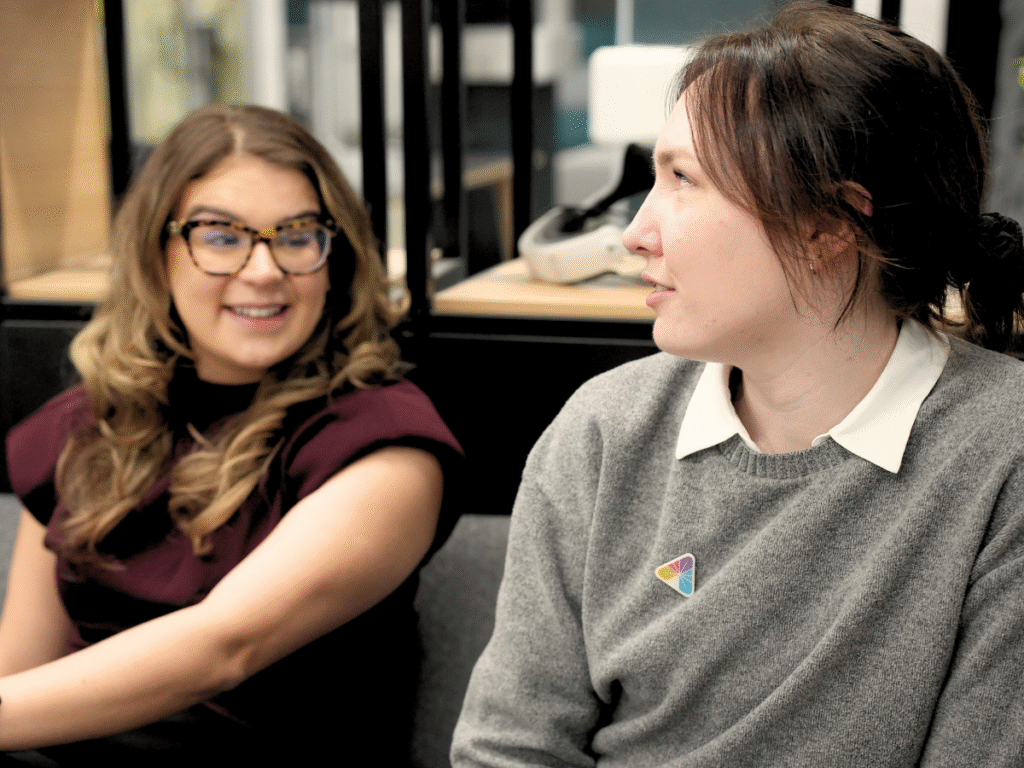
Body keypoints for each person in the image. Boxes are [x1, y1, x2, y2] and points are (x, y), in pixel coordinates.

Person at [452, 3, 1024, 766]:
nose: (635, 232)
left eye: (682, 180)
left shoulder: (1003, 455)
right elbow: (508, 747)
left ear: (829, 224)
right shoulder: (604, 429)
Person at [1, 104, 462, 764]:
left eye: (297, 235)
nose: (264, 269)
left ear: (335, 256)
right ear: (159, 255)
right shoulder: (87, 425)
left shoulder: (386, 443)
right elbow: (16, 678)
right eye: (220, 236)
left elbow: (220, 650)